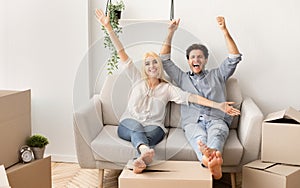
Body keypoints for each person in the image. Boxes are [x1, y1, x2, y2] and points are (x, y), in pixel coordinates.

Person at [95, 9, 240, 174]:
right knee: (139, 129)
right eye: (148, 63)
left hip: (162, 126)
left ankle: (143, 158)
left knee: (214, 135)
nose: (152, 66)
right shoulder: (139, 79)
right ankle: (145, 153)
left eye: (155, 63)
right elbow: (122, 53)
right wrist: (108, 28)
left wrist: (218, 106)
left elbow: (192, 97)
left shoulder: (170, 88)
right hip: (138, 123)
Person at [160, 17, 242, 179]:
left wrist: (224, 31)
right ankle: (211, 161)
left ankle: (210, 159)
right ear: (188, 61)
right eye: (192, 57)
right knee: (198, 139)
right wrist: (170, 33)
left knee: (217, 134)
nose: (196, 60)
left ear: (205, 60)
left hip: (217, 119)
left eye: (199, 57)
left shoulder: (218, 74)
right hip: (192, 122)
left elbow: (234, 57)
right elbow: (164, 60)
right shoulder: (181, 77)